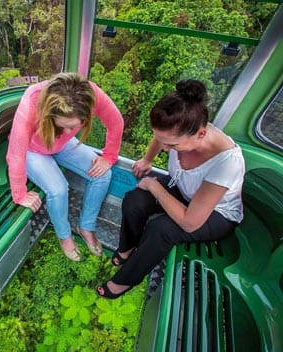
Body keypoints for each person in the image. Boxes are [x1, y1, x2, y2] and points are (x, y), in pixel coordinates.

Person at [96, 80, 245, 299]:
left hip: (215, 214)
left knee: (161, 229)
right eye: (163, 141)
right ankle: (127, 248)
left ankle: (125, 280)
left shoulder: (226, 163)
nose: (166, 149)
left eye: (173, 146)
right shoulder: (180, 130)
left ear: (201, 135)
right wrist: (148, 160)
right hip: (184, 190)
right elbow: (161, 137)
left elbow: (190, 222)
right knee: (135, 200)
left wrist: (155, 187)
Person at [6, 72, 124, 261]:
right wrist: (19, 193)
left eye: (74, 126)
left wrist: (109, 156)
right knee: (59, 189)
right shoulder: (31, 104)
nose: (70, 131)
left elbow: (116, 121)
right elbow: (15, 154)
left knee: (103, 175)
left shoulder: (91, 94)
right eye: (63, 125)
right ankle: (64, 236)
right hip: (33, 149)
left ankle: (86, 226)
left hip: (62, 145)